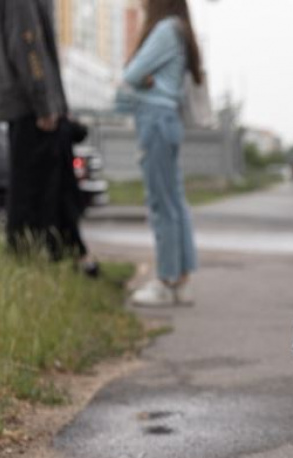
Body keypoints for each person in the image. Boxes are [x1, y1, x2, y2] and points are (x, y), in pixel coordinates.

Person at [0, 0, 97, 274]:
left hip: (35, 107)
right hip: (32, 109)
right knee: (34, 195)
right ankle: (31, 264)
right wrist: (44, 103)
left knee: (51, 189)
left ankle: (69, 258)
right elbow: (27, 43)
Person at [123, 0, 200, 307]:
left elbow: (131, 74)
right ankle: (179, 280)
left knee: (162, 203)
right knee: (174, 202)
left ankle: (165, 281)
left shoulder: (165, 29)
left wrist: (144, 77)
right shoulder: (178, 29)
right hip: (166, 119)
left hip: (155, 119)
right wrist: (145, 78)